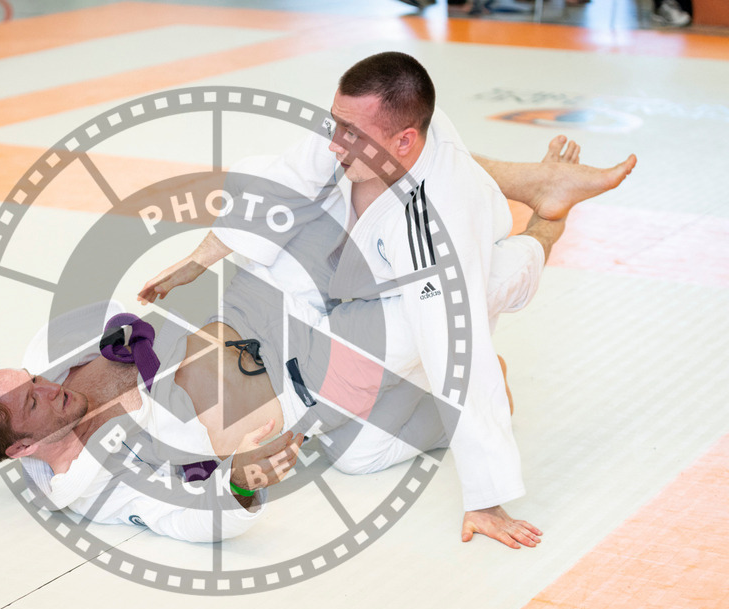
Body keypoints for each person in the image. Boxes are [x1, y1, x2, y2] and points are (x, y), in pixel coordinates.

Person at [138, 52, 636, 549]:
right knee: (354, 452)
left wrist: (485, 498)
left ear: (404, 140)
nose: (333, 142)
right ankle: (532, 180)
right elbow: (288, 176)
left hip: (427, 277)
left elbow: (455, 349)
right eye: (335, 124)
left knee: (472, 295)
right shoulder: (358, 128)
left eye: (349, 135)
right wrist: (201, 257)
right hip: (354, 263)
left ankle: (545, 225)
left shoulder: (436, 224)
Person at [0, 301, 305, 544]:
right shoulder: (93, 486)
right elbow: (181, 518)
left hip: (253, 309)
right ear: (22, 447)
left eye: (32, 379)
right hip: (296, 379)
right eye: (32, 401)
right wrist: (239, 483)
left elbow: (133, 310)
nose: (45, 387)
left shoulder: (58, 355)